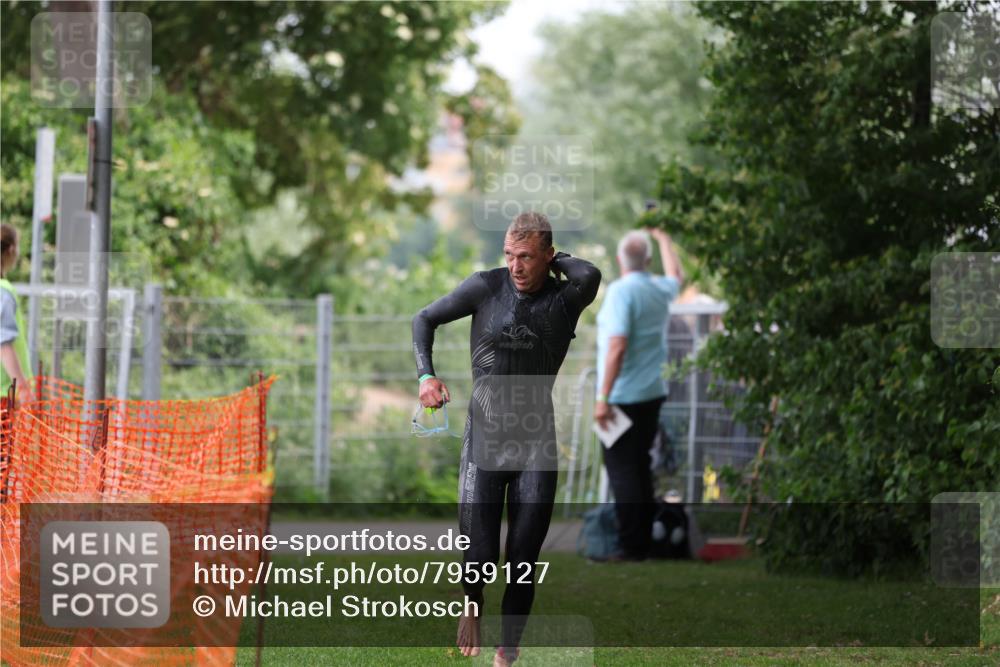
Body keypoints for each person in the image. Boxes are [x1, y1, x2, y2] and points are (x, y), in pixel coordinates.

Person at [413, 212, 600, 666]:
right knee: (479, 554)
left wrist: (557, 261)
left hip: (537, 442)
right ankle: (472, 602)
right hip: (485, 437)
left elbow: (589, 273)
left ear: (548, 257)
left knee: (522, 559)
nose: (516, 266)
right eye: (509, 255)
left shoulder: (565, 298)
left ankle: (506, 653)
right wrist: (426, 377)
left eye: (527, 257)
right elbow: (425, 318)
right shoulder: (486, 287)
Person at [594, 226, 683, 561]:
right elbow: (676, 277)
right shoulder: (659, 288)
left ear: (620, 260)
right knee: (640, 465)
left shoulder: (621, 292)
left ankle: (630, 546)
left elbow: (617, 346)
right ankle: (643, 542)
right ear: (647, 260)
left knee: (622, 469)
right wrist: (664, 238)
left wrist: (603, 398)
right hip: (652, 392)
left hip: (622, 396)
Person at [1, 223, 32, 405]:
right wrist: (24, 389)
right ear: (11, 250)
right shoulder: (3, 291)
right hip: (4, 394)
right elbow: (3, 344)